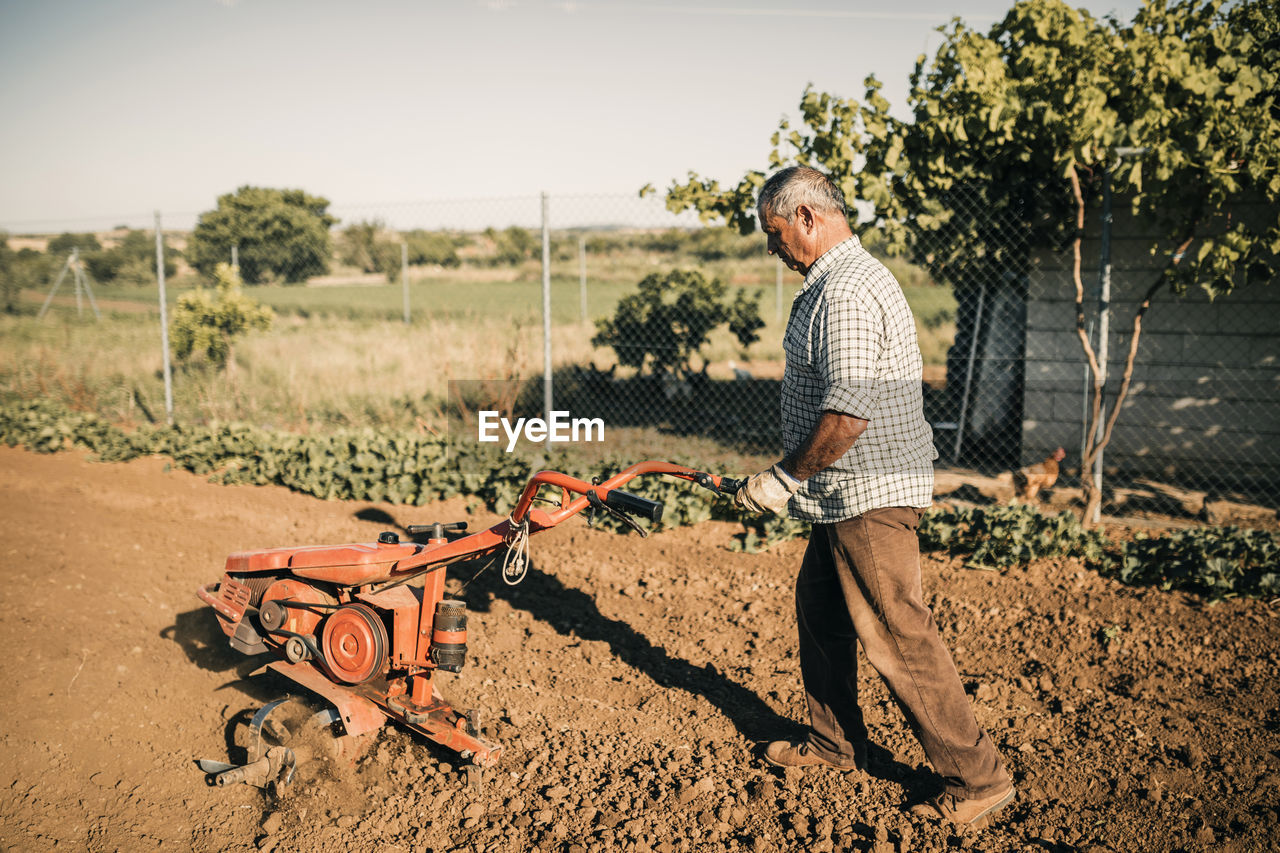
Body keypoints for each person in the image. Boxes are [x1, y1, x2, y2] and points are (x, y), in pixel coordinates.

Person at [735, 166, 1014, 827]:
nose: (771, 247)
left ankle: (978, 778)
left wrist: (782, 478)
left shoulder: (848, 291)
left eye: (774, 232)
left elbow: (849, 410)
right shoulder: (833, 283)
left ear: (806, 216)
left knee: (895, 630)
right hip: (844, 490)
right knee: (821, 608)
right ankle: (834, 743)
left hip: (866, 489)